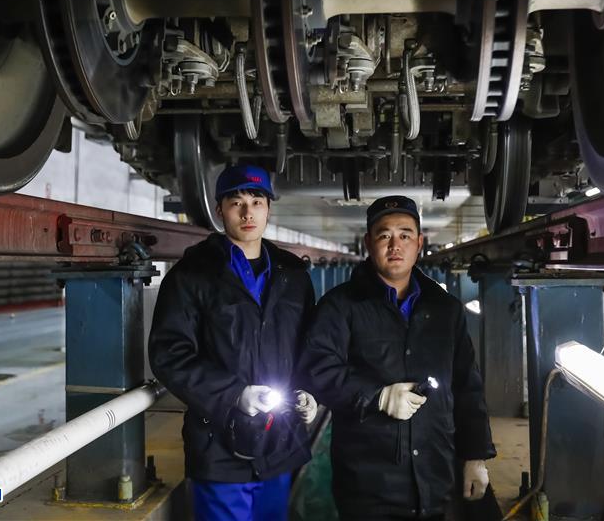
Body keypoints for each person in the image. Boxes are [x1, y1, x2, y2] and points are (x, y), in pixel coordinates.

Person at [300, 195, 498, 521]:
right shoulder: (340, 306)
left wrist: (475, 456)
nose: (395, 245)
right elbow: (315, 369)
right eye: (384, 235)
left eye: (405, 235)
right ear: (368, 242)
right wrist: (376, 396)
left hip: (436, 474)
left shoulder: (444, 308)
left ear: (419, 242)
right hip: (368, 484)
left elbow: (467, 386)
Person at [149, 164, 319, 521]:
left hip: (280, 441)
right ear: (219, 210)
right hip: (219, 447)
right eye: (236, 202)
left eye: (257, 201)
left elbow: (309, 346)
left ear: (269, 208)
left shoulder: (293, 276)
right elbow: (169, 354)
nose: (247, 212)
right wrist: (233, 394)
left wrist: (309, 391)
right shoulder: (191, 276)